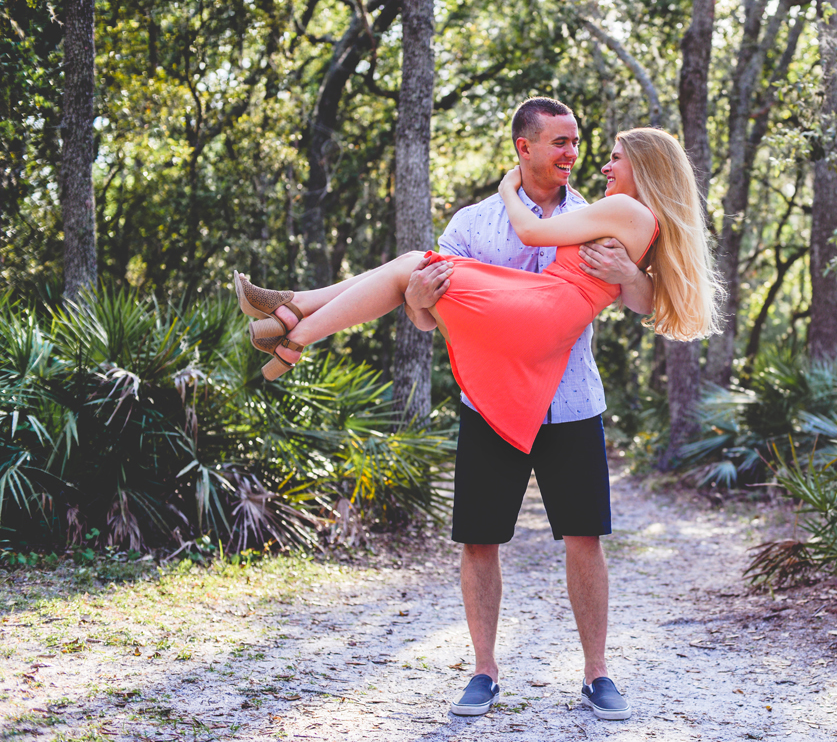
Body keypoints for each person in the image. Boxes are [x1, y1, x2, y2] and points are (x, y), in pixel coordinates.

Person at [232, 100, 721, 719]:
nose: (581, 157)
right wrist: (415, 298)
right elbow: (426, 318)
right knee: (479, 539)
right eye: (562, 144)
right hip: (490, 396)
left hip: (569, 401)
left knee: (584, 538)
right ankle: (484, 672)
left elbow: (648, 302)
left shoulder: (599, 213)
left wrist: (629, 270)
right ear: (525, 146)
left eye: (591, 148)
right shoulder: (474, 223)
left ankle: (598, 675)